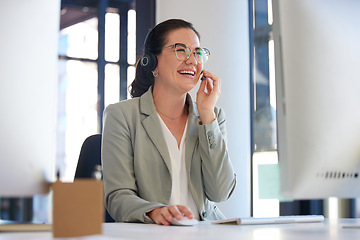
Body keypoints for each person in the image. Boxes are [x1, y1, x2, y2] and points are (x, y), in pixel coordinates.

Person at [101, 19, 236, 225]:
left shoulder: (211, 117)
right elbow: (117, 196)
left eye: (197, 53)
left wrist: (207, 114)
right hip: (152, 234)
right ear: (153, 62)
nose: (192, 61)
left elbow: (221, 191)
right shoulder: (121, 116)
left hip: (205, 233)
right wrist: (155, 212)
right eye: (181, 50)